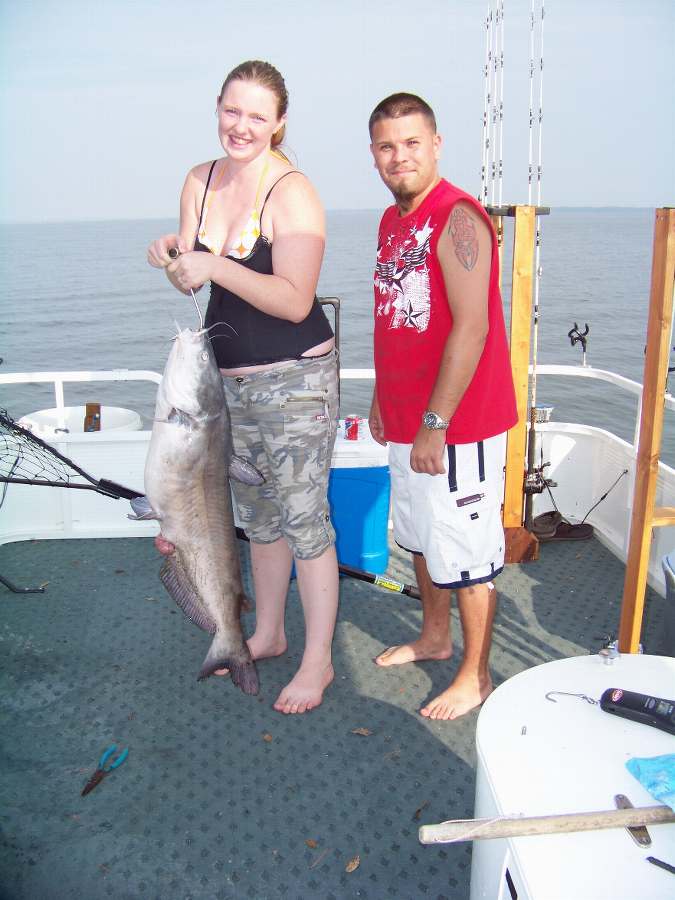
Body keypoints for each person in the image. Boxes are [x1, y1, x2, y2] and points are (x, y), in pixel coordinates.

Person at [147, 61, 339, 715]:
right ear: (218, 108)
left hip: (294, 380)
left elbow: (293, 300)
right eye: (233, 111)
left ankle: (318, 662)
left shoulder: (291, 193)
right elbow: (193, 284)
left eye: (257, 116)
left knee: (304, 520)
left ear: (278, 123)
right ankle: (268, 631)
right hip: (219, 384)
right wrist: (176, 257)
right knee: (257, 519)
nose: (242, 126)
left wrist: (215, 261)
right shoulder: (197, 182)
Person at [367, 93, 518, 720]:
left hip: (459, 427)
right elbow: (397, 316)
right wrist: (381, 396)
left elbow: (472, 329)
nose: (399, 156)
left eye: (411, 143)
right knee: (423, 539)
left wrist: (435, 423)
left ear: (435, 144)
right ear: (373, 153)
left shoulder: (458, 216)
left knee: (468, 551)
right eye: (385, 146)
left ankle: (475, 675)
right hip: (407, 419)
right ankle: (435, 637)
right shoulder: (391, 220)